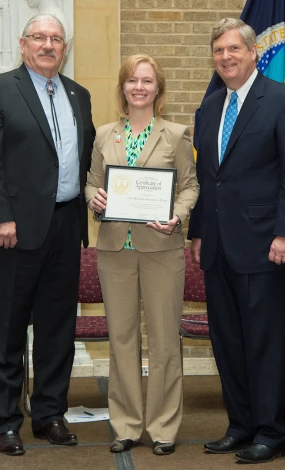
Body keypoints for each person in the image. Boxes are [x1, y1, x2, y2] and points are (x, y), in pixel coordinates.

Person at [187, 18, 285, 464]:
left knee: (264, 341)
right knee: (228, 341)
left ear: (253, 53)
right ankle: (240, 425)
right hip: (219, 247)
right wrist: (199, 231)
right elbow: (210, 181)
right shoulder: (208, 109)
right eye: (218, 50)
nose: (225, 57)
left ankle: (272, 432)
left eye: (234, 49)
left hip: (267, 246)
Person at [0, 13, 95, 456]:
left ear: (65, 47)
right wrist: (0, 216)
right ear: (23, 45)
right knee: (4, 328)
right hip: (13, 231)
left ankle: (49, 414)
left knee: (57, 327)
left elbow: (86, 162)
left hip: (65, 226)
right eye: (39, 38)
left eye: (56, 39)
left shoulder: (79, 95)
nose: (48, 45)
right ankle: (5, 421)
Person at [86, 54, 198, 456]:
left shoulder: (176, 134)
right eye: (132, 80)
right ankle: (127, 425)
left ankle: (165, 426)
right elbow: (92, 184)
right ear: (122, 88)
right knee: (122, 339)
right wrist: (94, 198)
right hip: (115, 250)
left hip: (162, 249)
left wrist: (178, 215)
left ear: (158, 89)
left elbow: (190, 187)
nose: (139, 87)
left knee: (165, 340)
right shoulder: (103, 135)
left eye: (147, 81)